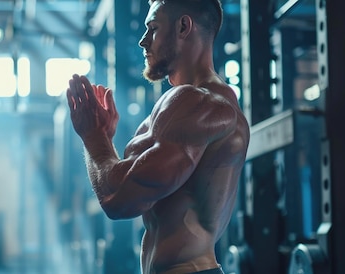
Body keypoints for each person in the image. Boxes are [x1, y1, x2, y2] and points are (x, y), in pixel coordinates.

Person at [66, 0, 250, 273]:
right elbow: (117, 184)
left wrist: (94, 137)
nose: (142, 41)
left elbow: (120, 200)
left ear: (183, 27)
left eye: (152, 28)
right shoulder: (186, 105)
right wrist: (100, 137)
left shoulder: (197, 103)